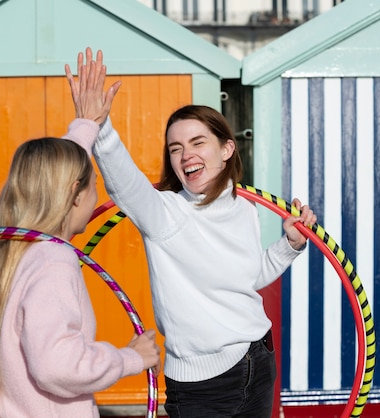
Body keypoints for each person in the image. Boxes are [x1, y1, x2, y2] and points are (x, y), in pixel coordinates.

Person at [63, 48, 317, 418]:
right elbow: (125, 184)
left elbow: (247, 278)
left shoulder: (243, 207)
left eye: (198, 143)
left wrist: (289, 246)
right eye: (176, 149)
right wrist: (99, 127)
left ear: (227, 148)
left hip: (258, 359)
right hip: (203, 385)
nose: (186, 156)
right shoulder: (166, 213)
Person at [0, 137, 161, 418]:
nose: (95, 197)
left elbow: (51, 169)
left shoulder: (3, 256)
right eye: (94, 185)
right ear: (75, 193)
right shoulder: (53, 261)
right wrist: (131, 358)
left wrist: (86, 127)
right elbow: (56, 365)